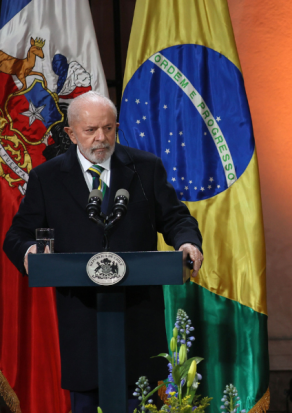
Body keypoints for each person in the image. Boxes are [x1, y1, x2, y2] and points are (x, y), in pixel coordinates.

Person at [3, 91, 204, 413]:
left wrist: (187, 242)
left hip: (139, 313)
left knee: (141, 400)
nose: (102, 138)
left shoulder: (145, 168)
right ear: (70, 133)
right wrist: (29, 252)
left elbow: (175, 217)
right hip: (82, 318)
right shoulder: (48, 177)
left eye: (109, 129)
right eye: (91, 130)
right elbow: (17, 235)